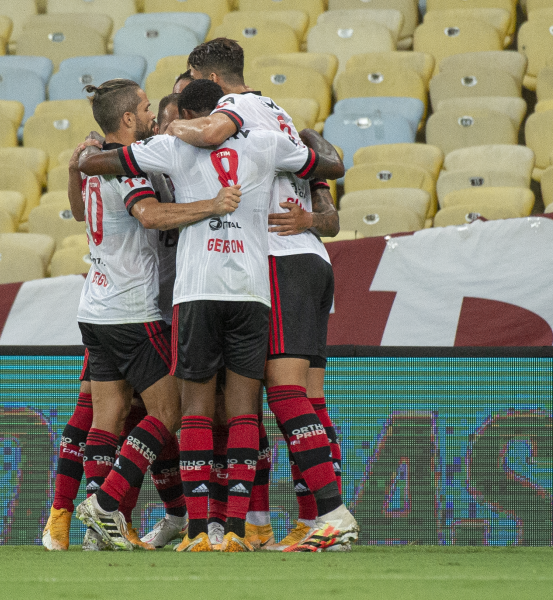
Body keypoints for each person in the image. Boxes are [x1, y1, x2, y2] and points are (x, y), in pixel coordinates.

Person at [78, 79, 349, 552]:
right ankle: (242, 530)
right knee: (245, 409)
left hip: (196, 291)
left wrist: (92, 152)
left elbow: (96, 165)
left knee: (195, 411)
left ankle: (199, 530)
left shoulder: (171, 148)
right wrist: (308, 138)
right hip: (252, 291)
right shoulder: (267, 143)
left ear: (190, 115)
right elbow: (326, 166)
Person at [165, 38, 355, 551]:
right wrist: (315, 219)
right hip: (310, 258)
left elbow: (208, 134)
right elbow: (326, 166)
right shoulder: (276, 111)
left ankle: (332, 514)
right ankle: (310, 520)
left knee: (281, 393)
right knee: (307, 397)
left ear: (210, 78)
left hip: (277, 255)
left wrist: (172, 127)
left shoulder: (235, 108)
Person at [66, 79, 242, 551]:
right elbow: (148, 215)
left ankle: (96, 534)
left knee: (108, 417)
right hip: (131, 310)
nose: (150, 115)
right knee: (169, 410)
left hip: (95, 308)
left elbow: (78, 213)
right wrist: (212, 205)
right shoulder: (124, 165)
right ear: (127, 118)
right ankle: (106, 504)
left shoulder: (92, 162)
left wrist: (70, 170)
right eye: (145, 109)